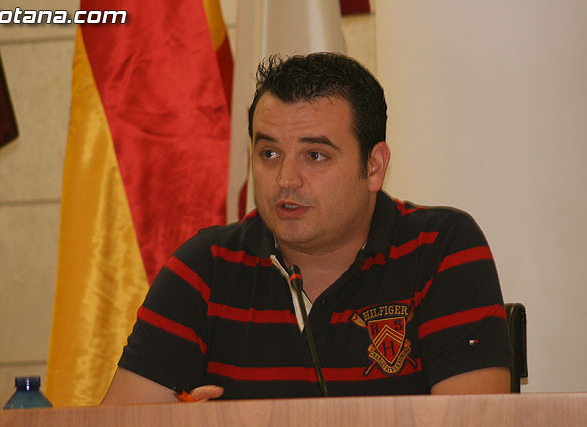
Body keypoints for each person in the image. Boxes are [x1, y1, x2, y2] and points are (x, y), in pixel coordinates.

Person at [102, 53, 511, 404]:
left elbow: (473, 421)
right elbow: (122, 420)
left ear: (373, 166)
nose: (285, 180)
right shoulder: (205, 268)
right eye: (269, 153)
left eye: (315, 155)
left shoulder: (439, 250)